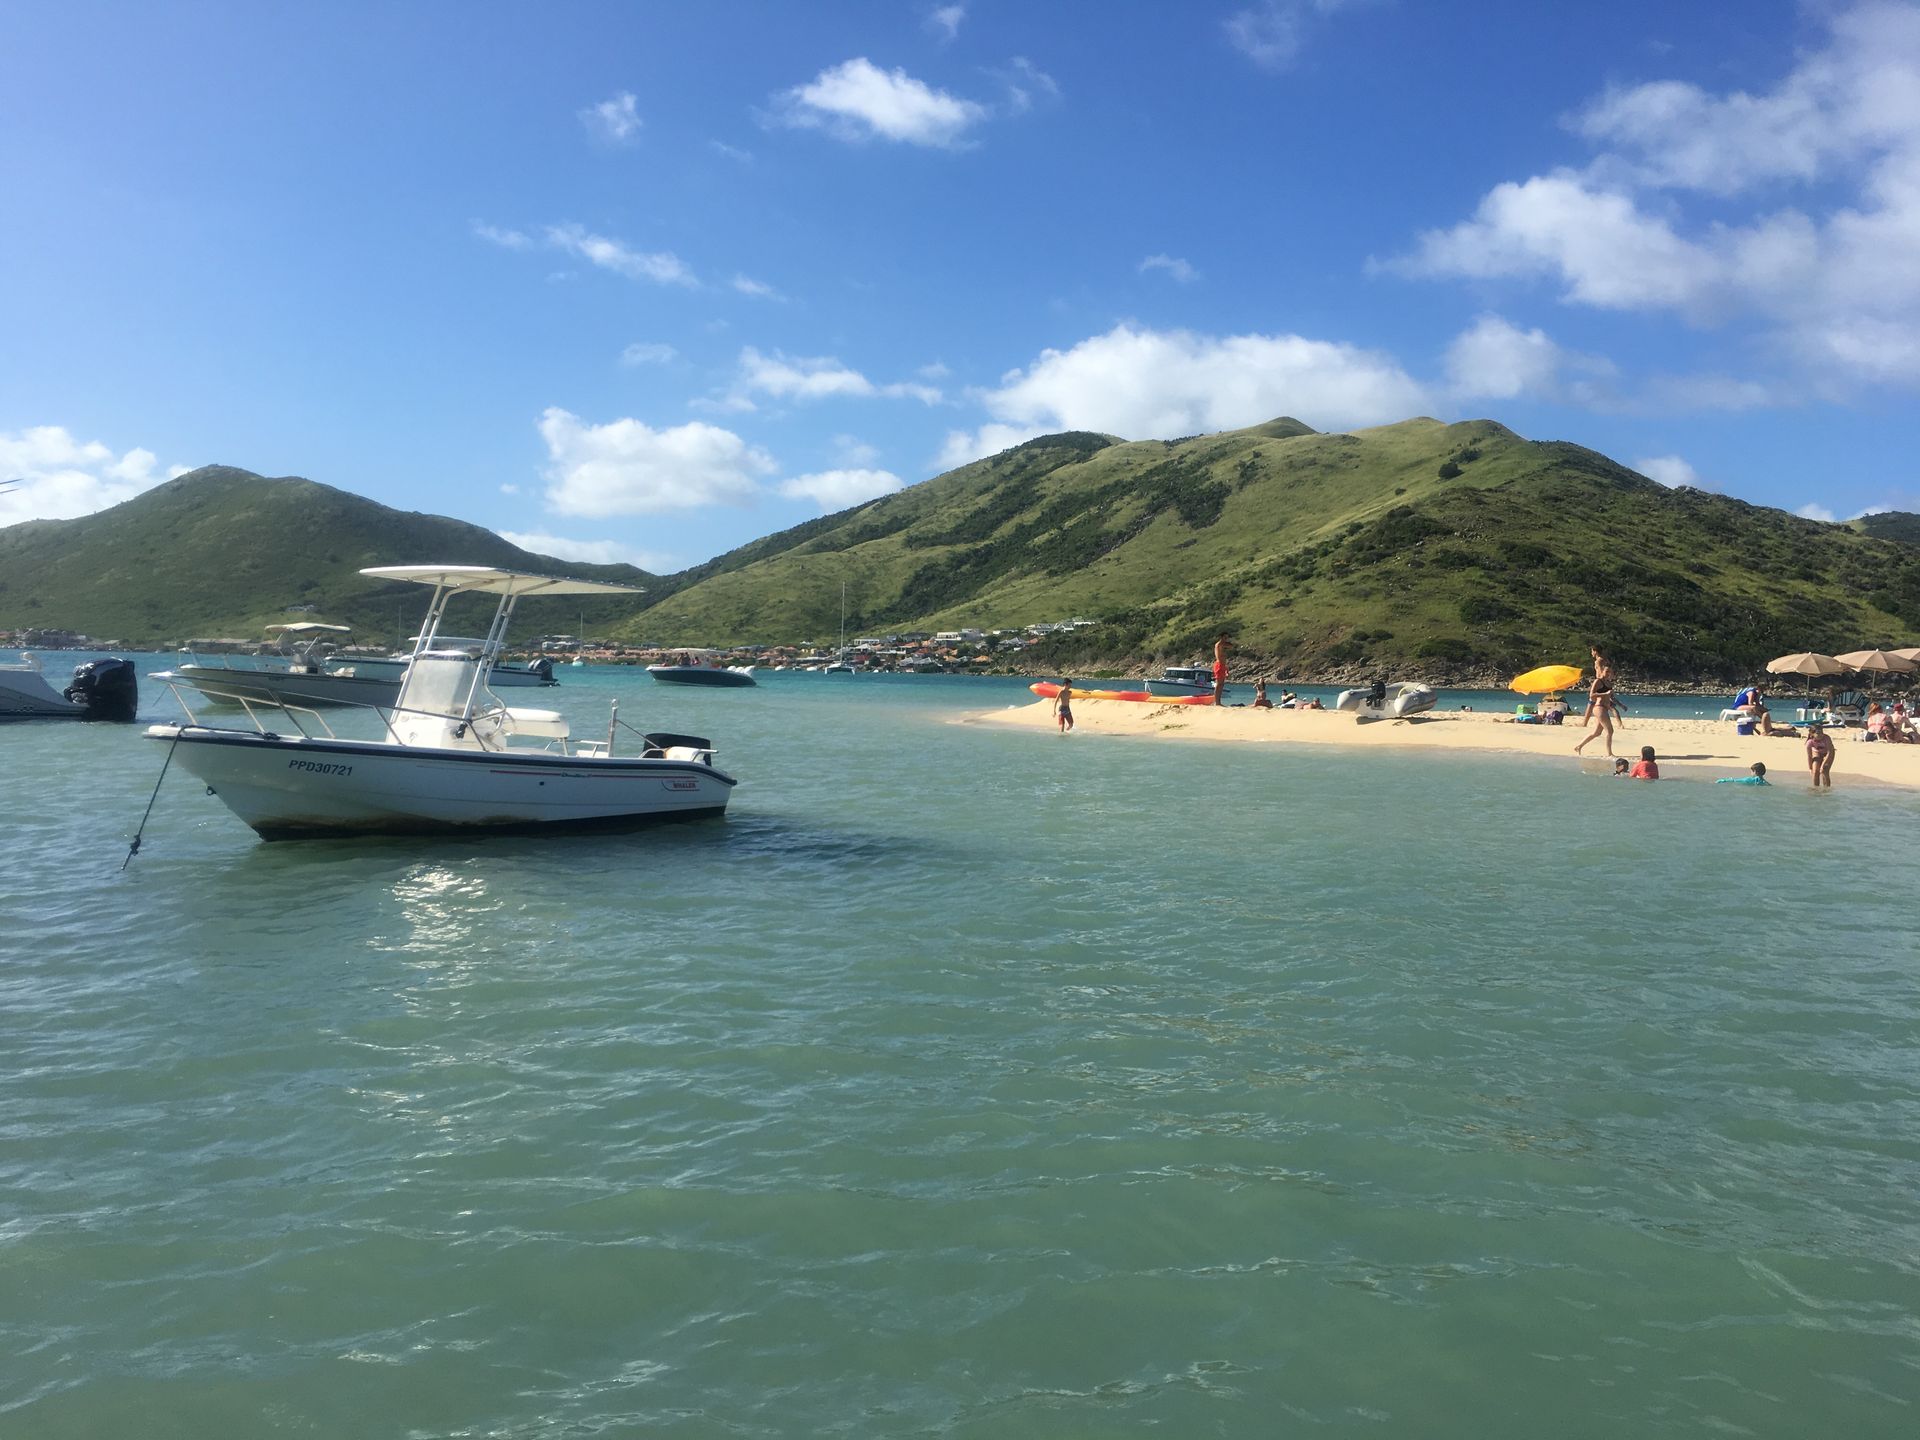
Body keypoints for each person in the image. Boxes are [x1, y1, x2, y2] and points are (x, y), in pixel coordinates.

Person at [1806, 722, 1835, 787]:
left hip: (1828, 753)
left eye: (1822, 732)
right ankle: (1816, 789)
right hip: (1817, 753)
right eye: (1818, 733)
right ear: (1812, 734)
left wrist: (1823, 765)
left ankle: (1826, 789)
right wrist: (1810, 768)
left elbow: (1829, 752)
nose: (1821, 735)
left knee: (1824, 770)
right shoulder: (1809, 742)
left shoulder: (1827, 738)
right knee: (1815, 771)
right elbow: (1809, 756)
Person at [1212, 632, 1234, 705]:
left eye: (1227, 638)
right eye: (1225, 637)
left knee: (1221, 684)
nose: (1226, 639)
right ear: (1221, 637)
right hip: (1219, 665)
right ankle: (1217, 702)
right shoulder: (1219, 644)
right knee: (1219, 684)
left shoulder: (1222, 645)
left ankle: (1218, 701)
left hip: (1222, 665)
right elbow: (1231, 646)